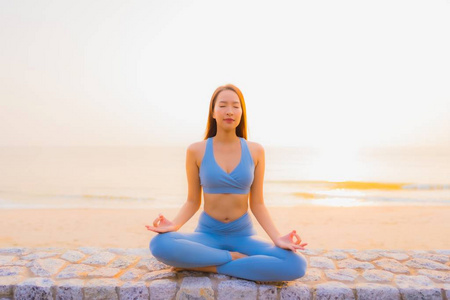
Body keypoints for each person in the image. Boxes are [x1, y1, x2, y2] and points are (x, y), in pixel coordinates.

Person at [146, 84, 308, 282]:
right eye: (222, 105)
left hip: (243, 237)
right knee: (160, 244)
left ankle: (211, 267)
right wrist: (175, 224)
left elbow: (257, 203)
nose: (229, 111)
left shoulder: (256, 150)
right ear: (213, 112)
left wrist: (277, 238)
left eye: (235, 106)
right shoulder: (196, 150)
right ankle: (231, 259)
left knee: (297, 264)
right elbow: (192, 201)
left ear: (241, 112)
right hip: (207, 235)